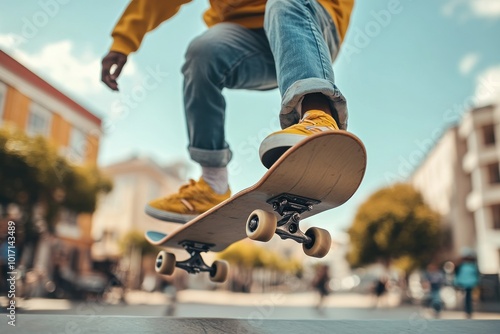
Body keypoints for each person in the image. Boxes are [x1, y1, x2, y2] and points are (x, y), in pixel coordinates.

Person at [101, 0, 354, 222]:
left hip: (309, 20)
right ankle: (213, 183)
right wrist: (123, 41)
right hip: (250, 40)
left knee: (282, 3)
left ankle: (319, 116)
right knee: (203, 52)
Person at [454, 249, 480, 319]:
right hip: (463, 283)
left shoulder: (472, 265)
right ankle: (467, 310)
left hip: (470, 283)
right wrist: (457, 282)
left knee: (469, 297)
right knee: (466, 297)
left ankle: (469, 310)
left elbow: (476, 274)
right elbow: (457, 274)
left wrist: (477, 282)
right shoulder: (461, 266)